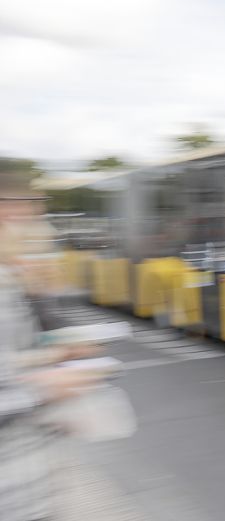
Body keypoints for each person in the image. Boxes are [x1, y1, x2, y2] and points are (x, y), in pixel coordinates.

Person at [0, 164, 100, 520]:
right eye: (28, 218)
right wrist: (44, 388)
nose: (41, 229)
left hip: (29, 484)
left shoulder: (13, 279)